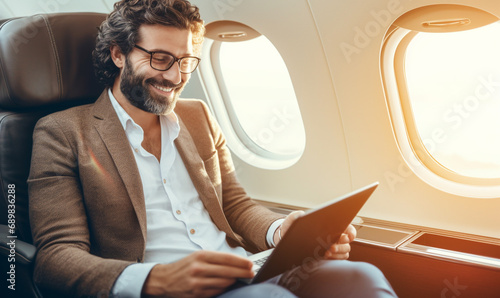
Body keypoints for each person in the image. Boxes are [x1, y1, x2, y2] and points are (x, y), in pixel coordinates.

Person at [28, 0, 397, 297]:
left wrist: (281, 233)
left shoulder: (198, 116)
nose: (174, 77)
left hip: (246, 270)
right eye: (160, 59)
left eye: (185, 61)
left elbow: (234, 205)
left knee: (359, 277)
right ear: (118, 55)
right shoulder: (63, 132)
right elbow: (55, 258)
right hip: (168, 289)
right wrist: (154, 279)